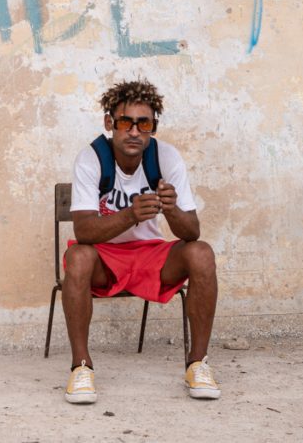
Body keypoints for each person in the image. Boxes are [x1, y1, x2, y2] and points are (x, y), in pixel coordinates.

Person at [61, 79, 219, 404]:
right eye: (125, 122)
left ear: (153, 127)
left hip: (151, 257)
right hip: (105, 258)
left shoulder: (166, 158)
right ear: (110, 123)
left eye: (143, 123)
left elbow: (192, 232)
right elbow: (85, 232)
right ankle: (81, 367)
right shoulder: (92, 159)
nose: (134, 131)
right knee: (78, 257)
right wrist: (130, 215)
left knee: (202, 254)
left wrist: (172, 209)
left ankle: (197, 364)